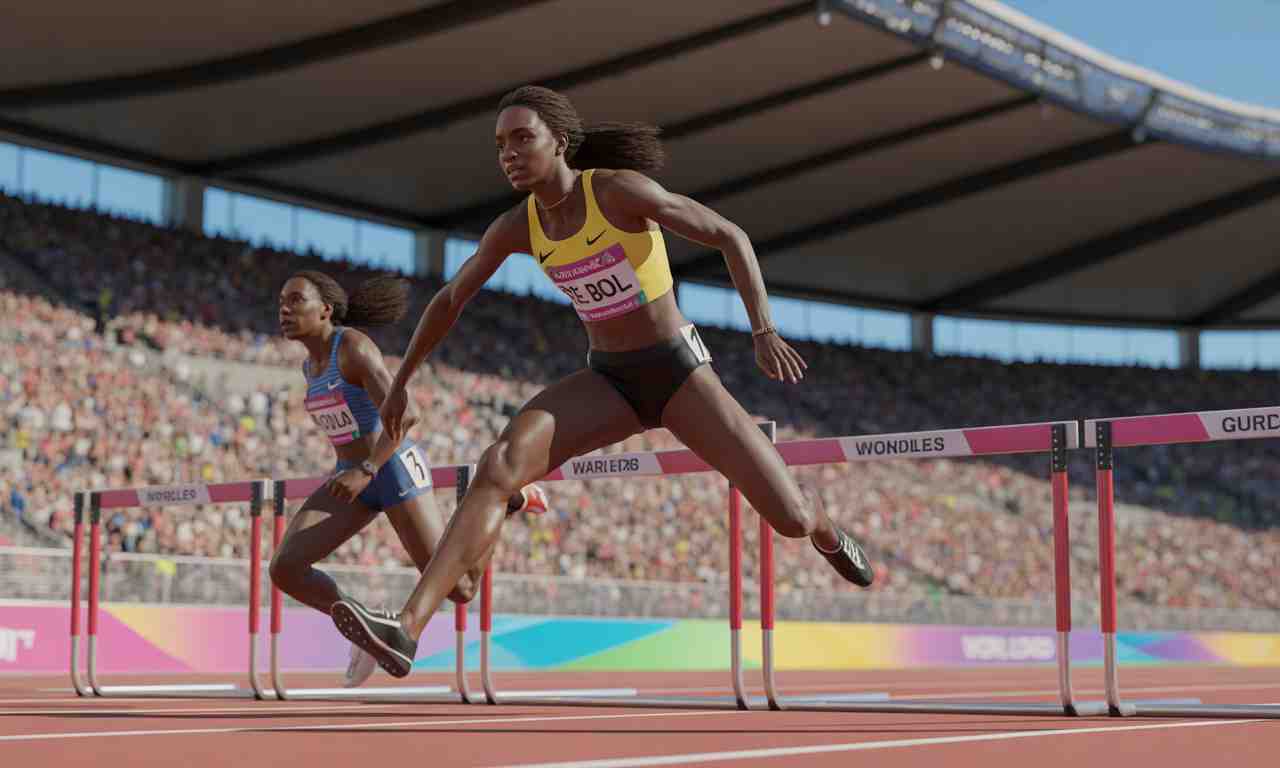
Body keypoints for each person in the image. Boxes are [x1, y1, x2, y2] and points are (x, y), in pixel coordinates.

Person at [331, 85, 873, 678]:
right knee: (499, 465)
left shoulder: (617, 191)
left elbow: (729, 236)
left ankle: (823, 523)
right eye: (499, 145)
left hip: (678, 373)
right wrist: (403, 378)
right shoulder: (517, 225)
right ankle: (406, 629)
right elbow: (450, 298)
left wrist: (763, 329)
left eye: (521, 138)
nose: (508, 153)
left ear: (559, 142)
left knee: (790, 518)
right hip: (608, 380)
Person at [271, 270, 545, 686]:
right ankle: (367, 629)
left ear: (325, 310)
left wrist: (368, 469)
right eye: (281, 303)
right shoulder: (309, 367)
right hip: (352, 477)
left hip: (392, 468)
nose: (284, 310)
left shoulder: (354, 348)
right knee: (285, 568)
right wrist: (356, 470)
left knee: (462, 588)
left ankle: (504, 503)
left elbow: (406, 414)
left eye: (295, 300)